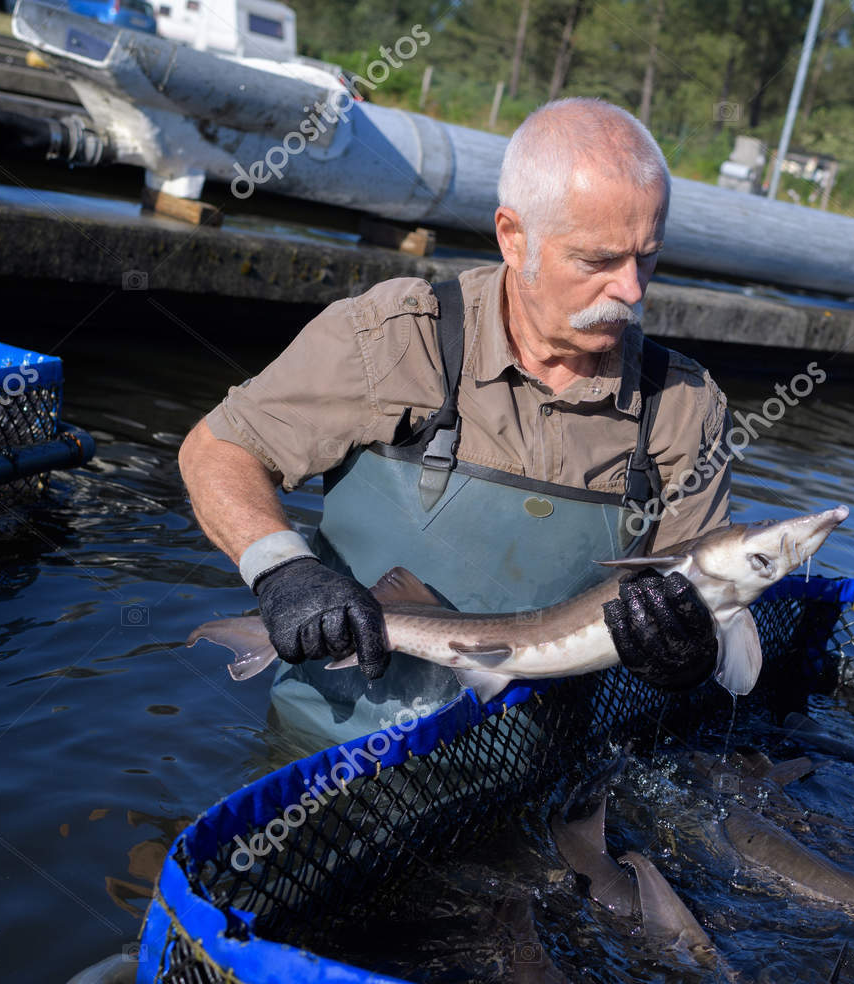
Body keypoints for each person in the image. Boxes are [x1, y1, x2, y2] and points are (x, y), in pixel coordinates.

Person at [178, 97, 734, 751]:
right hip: (331, 748)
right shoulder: (395, 338)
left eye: (647, 258)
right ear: (513, 235)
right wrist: (280, 569)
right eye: (597, 261)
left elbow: (711, 613)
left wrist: (689, 652)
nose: (633, 291)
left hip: (531, 764)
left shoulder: (683, 404)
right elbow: (218, 449)